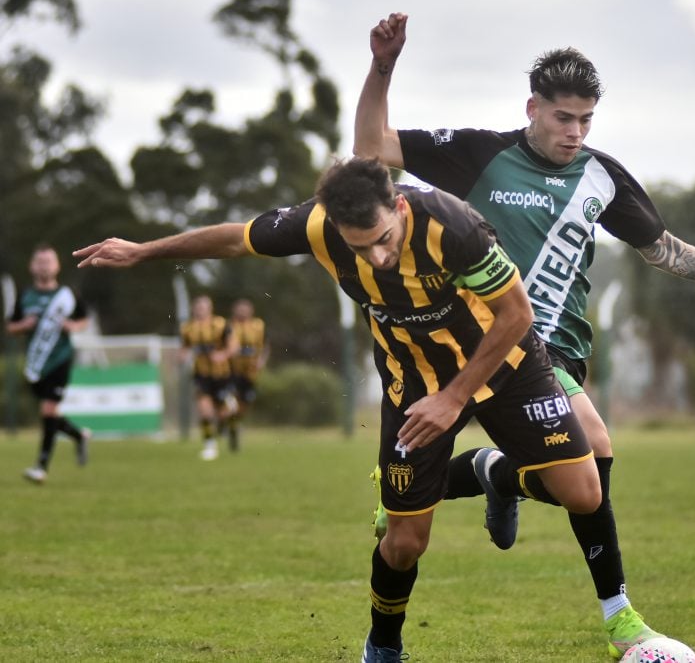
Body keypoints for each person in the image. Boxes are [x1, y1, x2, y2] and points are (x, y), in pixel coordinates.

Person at [354, 12, 695, 657]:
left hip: (550, 352)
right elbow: (373, 149)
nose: (575, 133)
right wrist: (383, 67)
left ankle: (515, 498)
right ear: (533, 109)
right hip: (464, 347)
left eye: (586, 120)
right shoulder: (481, 154)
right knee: (409, 535)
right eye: (564, 118)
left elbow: (663, 251)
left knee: (591, 468)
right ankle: (610, 612)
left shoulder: (602, 176)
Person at [74, 156, 603, 662]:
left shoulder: (453, 225)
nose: (376, 257)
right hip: (411, 382)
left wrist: (455, 397)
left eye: (382, 241)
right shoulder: (317, 225)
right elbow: (237, 238)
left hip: (505, 362)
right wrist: (144, 251)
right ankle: (384, 647)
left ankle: (493, 474)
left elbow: (517, 313)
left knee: (582, 494)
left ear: (397, 208)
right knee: (404, 544)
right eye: (359, 248)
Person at [7, 244, 91, 484]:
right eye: (40, 262)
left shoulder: (67, 295)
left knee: (48, 411)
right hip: (37, 363)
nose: (44, 266)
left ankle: (41, 467)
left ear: (57, 266)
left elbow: (84, 319)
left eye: (49, 261)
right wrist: (23, 326)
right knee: (50, 414)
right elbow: (10, 327)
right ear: (33, 266)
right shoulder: (25, 296)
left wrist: (73, 327)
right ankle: (79, 435)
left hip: (60, 360)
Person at [180, 294, 237, 461]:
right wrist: (182, 357)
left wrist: (222, 354)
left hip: (222, 375)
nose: (200, 310)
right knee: (204, 411)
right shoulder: (187, 328)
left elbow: (234, 346)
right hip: (201, 375)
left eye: (203, 307)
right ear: (193, 309)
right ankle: (209, 446)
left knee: (222, 413)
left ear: (210, 309)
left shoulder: (220, 324)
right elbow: (184, 348)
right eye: (197, 307)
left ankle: (226, 416)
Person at [226, 298, 267, 452]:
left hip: (250, 373)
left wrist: (261, 361)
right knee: (231, 401)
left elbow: (265, 346)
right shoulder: (228, 326)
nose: (242, 312)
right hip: (231, 371)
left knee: (244, 403)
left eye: (245, 309)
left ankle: (234, 424)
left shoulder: (258, 326)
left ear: (251, 311)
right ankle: (230, 426)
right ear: (234, 310)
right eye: (240, 309)